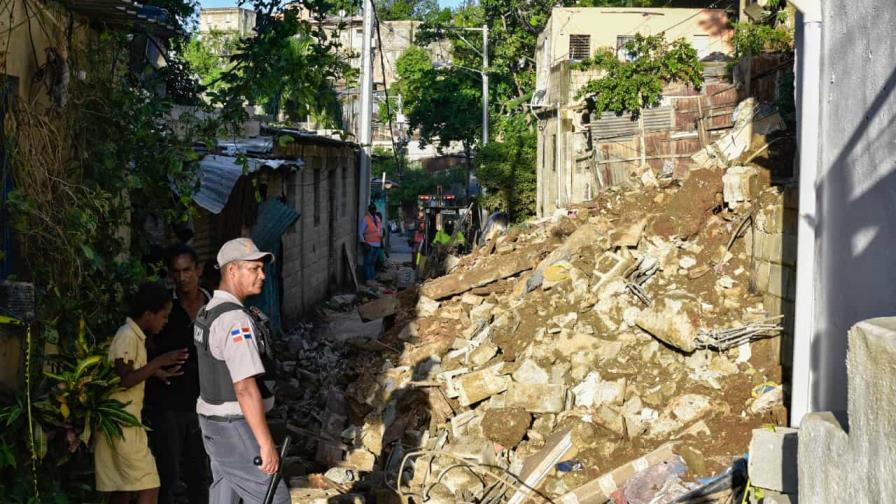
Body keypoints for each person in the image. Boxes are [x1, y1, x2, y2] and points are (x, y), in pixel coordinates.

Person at [194, 238, 288, 504]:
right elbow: (245, 388)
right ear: (232, 270)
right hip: (233, 426)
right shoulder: (236, 321)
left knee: (225, 497)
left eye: (261, 269)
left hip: (214, 425)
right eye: (254, 268)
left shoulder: (208, 311)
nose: (262, 275)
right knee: (275, 498)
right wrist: (266, 444)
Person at [95, 282, 188, 504]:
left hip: (125, 424)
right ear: (148, 314)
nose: (165, 322)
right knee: (149, 484)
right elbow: (125, 378)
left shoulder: (134, 336)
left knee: (123, 489)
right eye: (163, 316)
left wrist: (157, 373)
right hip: (122, 426)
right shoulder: (127, 335)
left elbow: (132, 371)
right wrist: (158, 362)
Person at [144, 244, 210, 504]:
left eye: (187, 270)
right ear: (170, 275)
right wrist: (155, 369)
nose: (182, 278)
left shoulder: (215, 305)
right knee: (168, 475)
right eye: (176, 272)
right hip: (168, 404)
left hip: (205, 404)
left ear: (199, 270)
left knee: (200, 473)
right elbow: (145, 346)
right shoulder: (164, 308)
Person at [358, 204, 382, 282]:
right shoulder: (366, 219)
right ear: (369, 210)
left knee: (373, 263)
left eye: (374, 209)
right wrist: (364, 242)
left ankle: (372, 279)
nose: (374, 211)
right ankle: (368, 280)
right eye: (372, 209)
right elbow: (360, 232)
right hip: (369, 244)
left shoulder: (377, 218)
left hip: (377, 244)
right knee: (368, 263)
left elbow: (379, 230)